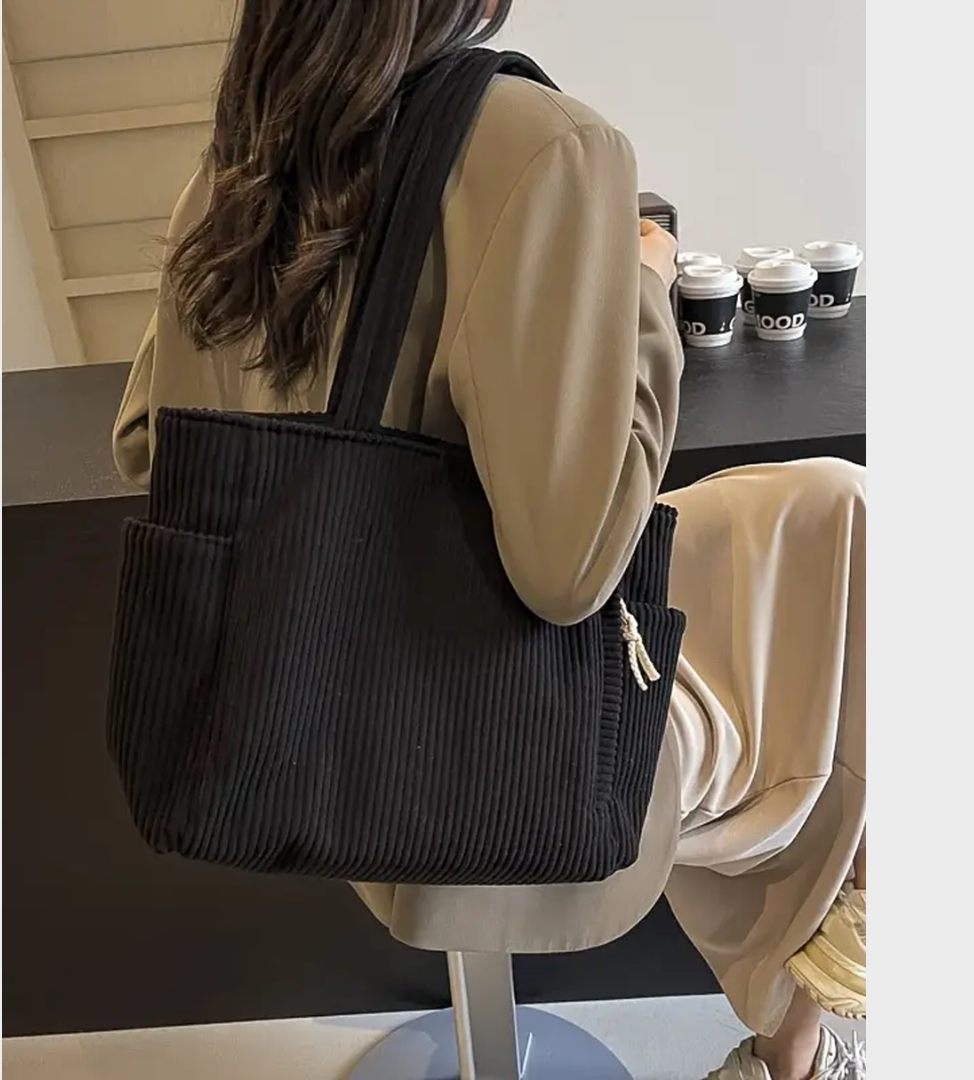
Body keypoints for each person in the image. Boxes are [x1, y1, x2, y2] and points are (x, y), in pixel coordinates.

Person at [112, 3, 866, 1077]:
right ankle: (802, 1043)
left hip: (291, 720)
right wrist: (642, 292)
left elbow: (147, 445)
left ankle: (805, 1031)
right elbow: (570, 573)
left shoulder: (241, 159)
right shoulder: (544, 146)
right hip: (489, 767)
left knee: (829, 511)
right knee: (859, 613)